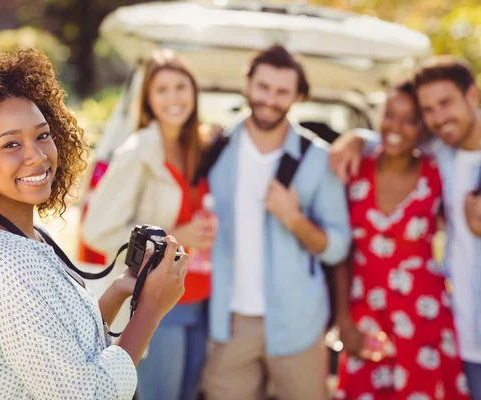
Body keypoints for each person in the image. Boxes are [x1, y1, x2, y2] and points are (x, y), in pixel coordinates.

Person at [0, 46, 189, 400]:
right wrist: (150, 310)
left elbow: (65, 351)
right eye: (10, 144)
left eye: (42, 135)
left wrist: (121, 288)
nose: (37, 156)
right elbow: (88, 394)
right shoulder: (6, 267)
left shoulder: (25, 236)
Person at [202, 44, 351, 400]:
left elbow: (338, 248)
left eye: (282, 91)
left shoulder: (318, 159)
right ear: (248, 85)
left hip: (298, 323)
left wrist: (293, 218)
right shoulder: (216, 148)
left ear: (298, 95)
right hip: (230, 322)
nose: (270, 99)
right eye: (263, 87)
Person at [330, 56, 481, 399]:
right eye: (430, 110)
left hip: (425, 320)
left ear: (472, 96)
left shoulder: (434, 163)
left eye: (445, 103)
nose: (439, 117)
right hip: (439, 328)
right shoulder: (441, 155)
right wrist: (353, 137)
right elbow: (391, 140)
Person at [83, 49, 217, 400]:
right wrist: (175, 234)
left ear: (194, 92)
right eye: (162, 90)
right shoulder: (137, 151)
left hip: (201, 298)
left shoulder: (198, 147)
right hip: (158, 301)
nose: (174, 97)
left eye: (181, 87)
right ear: (148, 100)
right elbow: (96, 230)